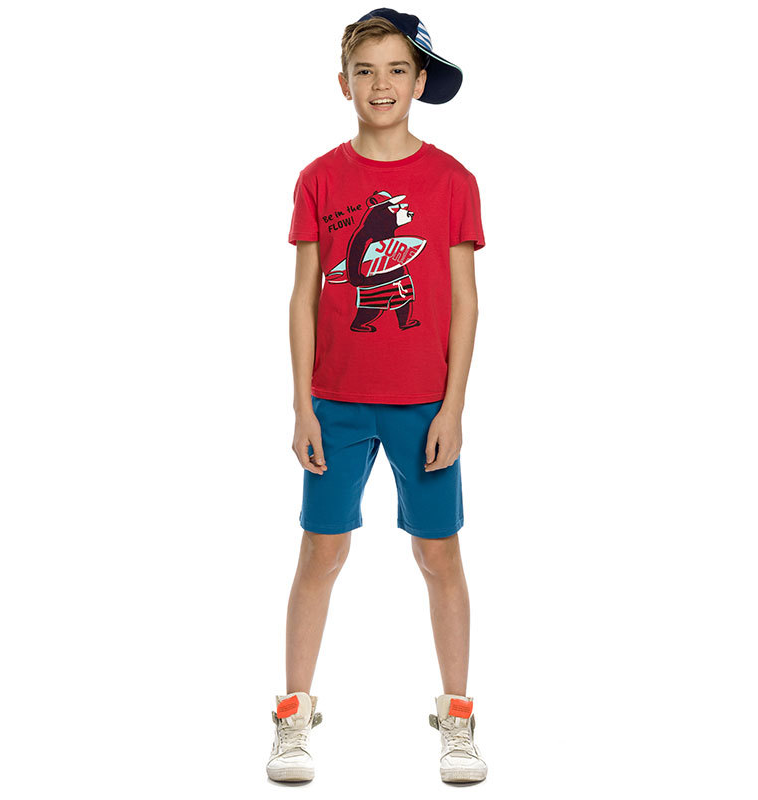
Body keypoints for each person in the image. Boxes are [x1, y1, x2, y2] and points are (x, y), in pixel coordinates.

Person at [267, 8, 487, 785]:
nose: (381, 84)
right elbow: (303, 299)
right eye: (366, 71)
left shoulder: (453, 182)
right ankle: (293, 714)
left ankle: (457, 717)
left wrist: (453, 407)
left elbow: (466, 301)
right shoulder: (318, 180)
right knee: (321, 550)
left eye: (397, 70)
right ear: (343, 84)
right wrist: (302, 405)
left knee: (440, 555)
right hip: (336, 403)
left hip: (424, 405)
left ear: (420, 82)